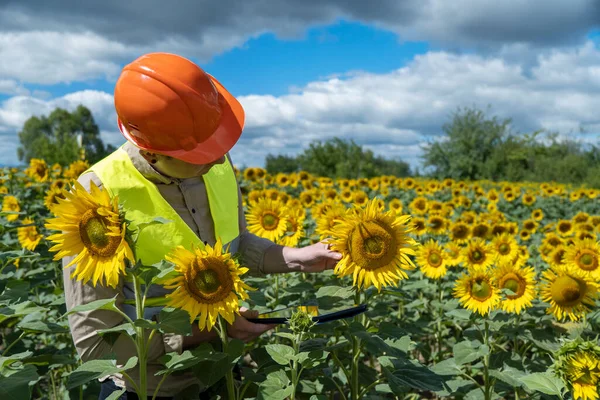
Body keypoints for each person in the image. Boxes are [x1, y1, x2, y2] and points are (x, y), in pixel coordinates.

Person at [61, 52, 343, 399]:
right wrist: (199, 332)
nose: (217, 158)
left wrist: (296, 257)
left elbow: (234, 244)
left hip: (218, 372)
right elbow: (94, 343)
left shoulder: (215, 164)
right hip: (147, 387)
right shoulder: (98, 193)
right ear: (151, 153)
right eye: (199, 155)